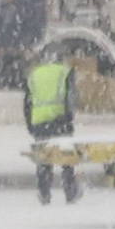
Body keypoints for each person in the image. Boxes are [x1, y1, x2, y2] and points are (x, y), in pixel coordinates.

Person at [21, 46, 78, 200]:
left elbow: (27, 103)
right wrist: (69, 118)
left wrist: (30, 125)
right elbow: (71, 98)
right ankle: (70, 191)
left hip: (39, 122)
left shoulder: (34, 75)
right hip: (60, 121)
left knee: (43, 159)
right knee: (66, 156)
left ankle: (44, 192)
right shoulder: (64, 71)